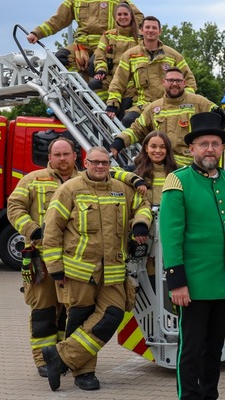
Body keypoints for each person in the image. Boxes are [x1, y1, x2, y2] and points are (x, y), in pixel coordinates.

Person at [40, 146, 151, 392]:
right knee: (79, 319)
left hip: (113, 271)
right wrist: (55, 267)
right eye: (95, 162)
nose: (100, 166)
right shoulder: (68, 190)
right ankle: (84, 373)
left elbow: (144, 204)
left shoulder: (121, 189)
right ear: (86, 162)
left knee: (112, 315)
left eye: (104, 162)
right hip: (79, 272)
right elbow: (52, 230)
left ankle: (60, 357)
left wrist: (141, 223)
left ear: (110, 164)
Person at [159, 112, 225, 399]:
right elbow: (171, 237)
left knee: (214, 347)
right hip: (193, 285)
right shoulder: (178, 181)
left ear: (223, 148)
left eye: (215, 143)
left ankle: (210, 394)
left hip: (223, 284)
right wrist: (177, 281)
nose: (210, 149)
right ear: (192, 148)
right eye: (204, 143)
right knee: (192, 348)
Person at [6, 137, 79, 378]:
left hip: (75, 259)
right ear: (49, 157)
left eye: (66, 154)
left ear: (75, 155)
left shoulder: (85, 181)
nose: (62, 159)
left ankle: (60, 356)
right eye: (57, 155)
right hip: (41, 258)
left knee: (70, 313)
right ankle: (43, 360)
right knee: (45, 311)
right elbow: (14, 208)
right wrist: (33, 231)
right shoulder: (32, 180)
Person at [110, 67, 222, 166]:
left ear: (184, 83)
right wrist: (120, 141)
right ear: (163, 82)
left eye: (178, 81)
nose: (174, 84)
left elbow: (223, 121)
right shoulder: (153, 108)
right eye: (171, 80)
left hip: (191, 166)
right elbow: (137, 129)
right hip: (162, 165)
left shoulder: (199, 103)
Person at [106, 16, 196, 128]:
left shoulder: (173, 55)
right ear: (141, 30)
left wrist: (184, 101)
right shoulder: (130, 55)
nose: (151, 30)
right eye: (147, 27)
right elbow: (118, 82)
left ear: (160, 31)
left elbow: (190, 81)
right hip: (142, 106)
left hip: (169, 105)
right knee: (128, 120)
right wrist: (112, 104)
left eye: (154, 28)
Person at [26, 0, 143, 75]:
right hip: (82, 45)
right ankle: (75, 90)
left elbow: (137, 17)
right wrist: (37, 33)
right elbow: (58, 20)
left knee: (95, 65)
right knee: (60, 58)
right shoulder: (74, 1)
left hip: (107, 45)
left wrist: (122, 34)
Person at [129, 131, 178, 289]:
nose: (158, 151)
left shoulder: (176, 172)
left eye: (162, 147)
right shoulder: (134, 172)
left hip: (169, 231)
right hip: (144, 232)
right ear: (145, 148)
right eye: (153, 146)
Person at [88, 3, 140, 102]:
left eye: (125, 14)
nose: (122, 17)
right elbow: (100, 56)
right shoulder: (108, 36)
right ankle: (103, 110)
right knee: (93, 86)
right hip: (111, 78)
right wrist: (101, 71)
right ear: (115, 17)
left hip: (132, 82)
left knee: (123, 111)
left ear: (131, 16)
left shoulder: (140, 38)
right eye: (119, 15)